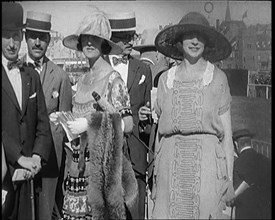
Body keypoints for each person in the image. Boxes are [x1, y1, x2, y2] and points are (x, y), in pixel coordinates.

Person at [151, 12, 234, 219]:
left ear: (207, 42)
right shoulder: (164, 80)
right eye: (190, 36)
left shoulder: (218, 78)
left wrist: (228, 181)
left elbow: (227, 137)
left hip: (206, 172)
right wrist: (156, 177)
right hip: (170, 171)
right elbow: (159, 136)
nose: (195, 41)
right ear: (179, 42)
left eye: (200, 37)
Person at [58, 8, 138, 219]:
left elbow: (128, 124)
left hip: (102, 174)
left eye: (96, 38)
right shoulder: (83, 79)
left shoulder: (114, 80)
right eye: (86, 38)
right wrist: (64, 119)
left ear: (104, 43)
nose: (90, 42)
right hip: (77, 171)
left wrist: (90, 123)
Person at [2, 2, 54, 220]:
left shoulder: (30, 76)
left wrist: (37, 157)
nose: (12, 44)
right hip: (4, 173)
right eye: (6, 37)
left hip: (30, 177)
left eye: (16, 36)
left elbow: (43, 122)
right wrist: (18, 157)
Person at [22, 11, 73, 219]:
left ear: (49, 41)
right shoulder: (16, 71)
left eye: (42, 38)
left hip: (51, 161)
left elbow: (67, 124)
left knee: (46, 213)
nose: (37, 42)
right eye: (33, 36)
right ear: (25, 38)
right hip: (21, 157)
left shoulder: (60, 76)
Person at [106, 12, 153, 219]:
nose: (129, 41)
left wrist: (146, 117)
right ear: (111, 39)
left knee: (135, 212)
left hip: (135, 156)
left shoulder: (143, 70)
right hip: (109, 155)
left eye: (131, 36)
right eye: (122, 37)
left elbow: (149, 117)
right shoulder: (101, 69)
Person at [228, 129, 271, 219]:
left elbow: (235, 196)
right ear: (250, 142)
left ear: (236, 144)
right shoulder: (267, 161)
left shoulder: (237, 164)